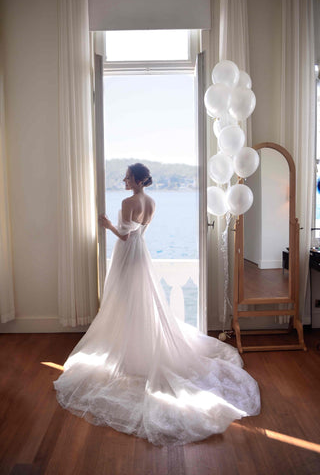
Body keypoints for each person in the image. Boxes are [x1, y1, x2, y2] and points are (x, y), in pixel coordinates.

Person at [54, 162, 260, 446]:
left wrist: (107, 225)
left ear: (138, 180)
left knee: (124, 301)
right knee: (141, 301)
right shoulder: (151, 202)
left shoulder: (128, 202)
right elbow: (139, 233)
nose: (124, 180)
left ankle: (129, 352)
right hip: (141, 253)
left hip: (127, 253)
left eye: (128, 177)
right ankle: (138, 345)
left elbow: (125, 235)